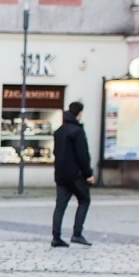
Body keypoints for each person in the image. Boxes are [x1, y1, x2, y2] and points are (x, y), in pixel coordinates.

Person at [52, 101, 94, 247]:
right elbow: (83, 155)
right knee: (84, 200)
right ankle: (77, 234)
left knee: (60, 205)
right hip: (75, 175)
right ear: (79, 113)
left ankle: (56, 236)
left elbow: (55, 152)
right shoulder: (77, 131)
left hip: (60, 174)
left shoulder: (59, 131)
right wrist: (88, 174)